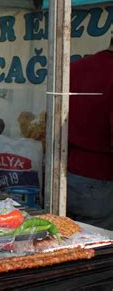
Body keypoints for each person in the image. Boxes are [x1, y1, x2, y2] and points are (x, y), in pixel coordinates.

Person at [67, 40, 113, 230]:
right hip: (101, 179)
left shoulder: (74, 68)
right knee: (96, 247)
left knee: (62, 241)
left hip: (66, 173)